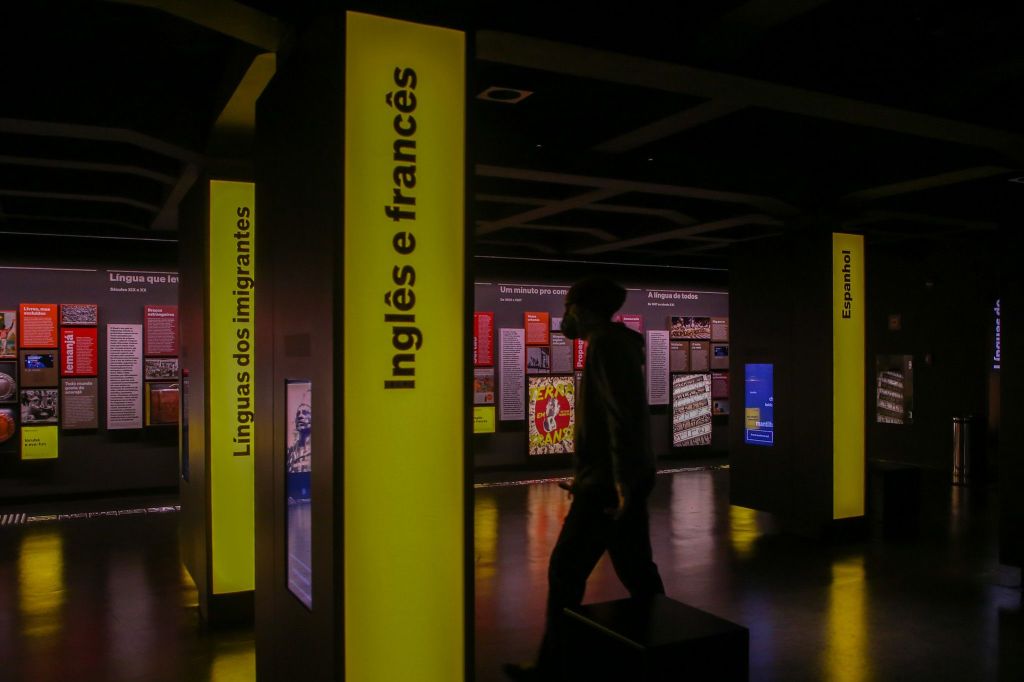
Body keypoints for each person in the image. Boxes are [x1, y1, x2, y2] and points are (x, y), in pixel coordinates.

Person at [504, 277, 665, 681]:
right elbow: (616, 421)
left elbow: (621, 420)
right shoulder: (613, 345)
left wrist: (618, 482)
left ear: (584, 309)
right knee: (638, 573)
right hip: (610, 481)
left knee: (566, 570)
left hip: (609, 487)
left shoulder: (607, 347)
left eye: (567, 306)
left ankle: (553, 669)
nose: (564, 316)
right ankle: (669, 656)